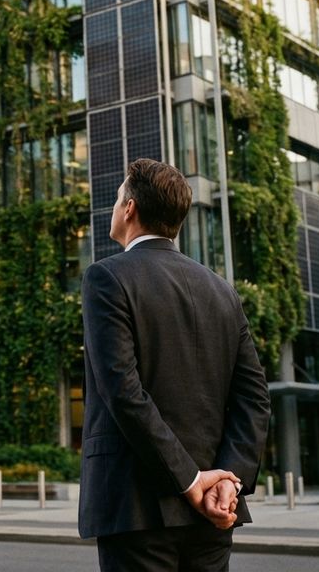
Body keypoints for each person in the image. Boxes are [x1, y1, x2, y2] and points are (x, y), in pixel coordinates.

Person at [79, 159, 271, 572]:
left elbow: (124, 392)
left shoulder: (106, 278)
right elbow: (254, 398)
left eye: (116, 199)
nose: (115, 208)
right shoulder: (222, 291)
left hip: (137, 506)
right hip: (214, 512)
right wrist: (226, 480)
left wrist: (189, 481)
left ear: (129, 208)